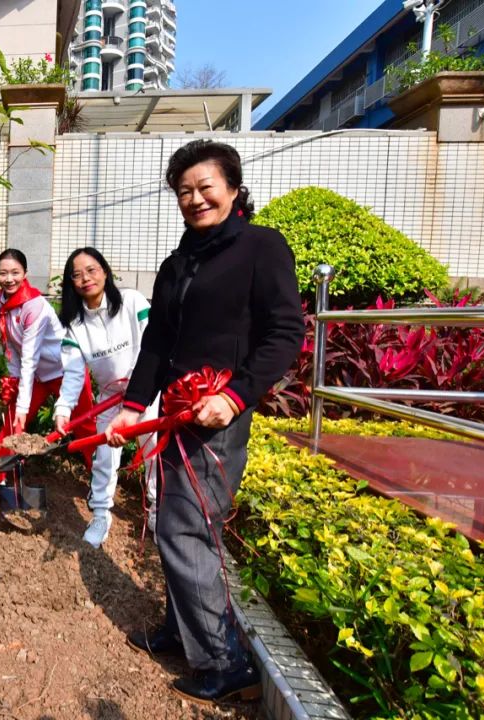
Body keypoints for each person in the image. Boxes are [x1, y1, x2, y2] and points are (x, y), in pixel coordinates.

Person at [106, 140, 304, 704]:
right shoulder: (178, 261)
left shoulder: (261, 248)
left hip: (217, 415)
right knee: (174, 518)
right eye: (184, 191)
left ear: (233, 189)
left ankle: (225, 662)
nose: (195, 199)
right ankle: (183, 628)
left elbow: (285, 333)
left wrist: (238, 396)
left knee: (187, 528)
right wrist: (131, 403)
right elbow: (159, 341)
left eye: (205, 187)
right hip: (174, 413)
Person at [0, 249, 96, 504]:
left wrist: (23, 405)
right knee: (12, 425)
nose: (9, 279)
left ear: (25, 274)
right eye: (3, 273)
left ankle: (100, 483)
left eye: (15, 273)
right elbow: (12, 348)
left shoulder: (34, 306)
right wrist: (14, 382)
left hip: (64, 371)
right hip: (36, 375)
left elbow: (29, 357)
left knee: (84, 428)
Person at [54, 247, 158, 548]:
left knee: (153, 455)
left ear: (105, 271)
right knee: (104, 459)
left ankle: (156, 510)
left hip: (147, 395)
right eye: (76, 275)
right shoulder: (74, 325)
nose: (85, 278)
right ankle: (100, 515)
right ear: (71, 283)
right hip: (110, 399)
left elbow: (152, 346)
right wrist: (63, 409)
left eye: (91, 270)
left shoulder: (132, 302)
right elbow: (74, 373)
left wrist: (138, 395)